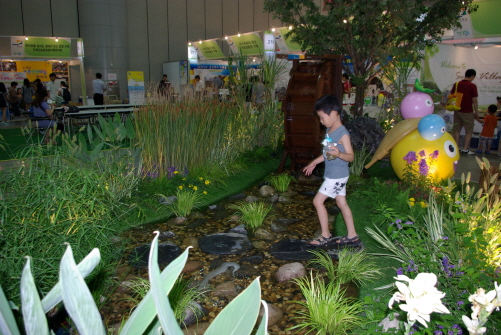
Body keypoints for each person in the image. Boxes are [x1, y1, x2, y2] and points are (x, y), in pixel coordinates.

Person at [303, 95, 358, 246]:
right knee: (341, 203)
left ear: (333, 114)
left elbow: (351, 156)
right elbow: (327, 154)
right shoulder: (329, 130)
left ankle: (325, 235)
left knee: (317, 201)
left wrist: (340, 154)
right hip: (336, 175)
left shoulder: (342, 134)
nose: (321, 121)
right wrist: (314, 162)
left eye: (322, 117)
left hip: (337, 176)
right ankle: (352, 235)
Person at [452, 69, 481, 154]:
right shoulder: (472, 86)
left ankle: (457, 147)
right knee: (469, 130)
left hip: (457, 110)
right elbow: (474, 101)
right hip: (468, 111)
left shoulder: (456, 84)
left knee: (457, 129)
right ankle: (465, 149)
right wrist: (476, 112)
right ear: (472, 76)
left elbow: (452, 96)